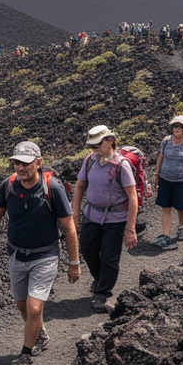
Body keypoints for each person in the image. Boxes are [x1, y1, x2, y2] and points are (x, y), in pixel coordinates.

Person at [0, 141, 80, 365]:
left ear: (39, 162)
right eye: (17, 162)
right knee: (21, 304)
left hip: (45, 256)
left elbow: (68, 227)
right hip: (16, 255)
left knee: (34, 308)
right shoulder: (8, 186)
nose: (20, 167)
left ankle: (25, 358)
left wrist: (74, 262)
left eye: (25, 162)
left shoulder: (52, 188)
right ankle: (38, 332)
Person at [72, 126, 138, 309]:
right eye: (91, 146)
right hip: (92, 215)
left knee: (109, 256)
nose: (94, 149)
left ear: (110, 140)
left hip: (115, 218)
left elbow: (132, 198)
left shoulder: (121, 165)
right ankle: (100, 279)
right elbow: (80, 186)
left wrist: (130, 228)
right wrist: (75, 213)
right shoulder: (89, 161)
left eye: (98, 145)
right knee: (87, 248)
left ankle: (103, 293)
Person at [153, 116, 183, 247]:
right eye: (175, 126)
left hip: (182, 181)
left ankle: (181, 226)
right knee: (166, 207)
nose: (177, 129)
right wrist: (157, 175)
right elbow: (161, 157)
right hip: (165, 179)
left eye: (180, 126)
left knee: (182, 208)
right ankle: (165, 236)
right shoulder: (166, 141)